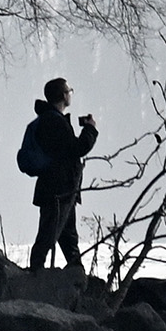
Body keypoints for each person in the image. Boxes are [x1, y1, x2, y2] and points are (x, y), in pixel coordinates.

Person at [28, 77, 98, 271]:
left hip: (62, 190)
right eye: (69, 91)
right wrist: (90, 129)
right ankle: (35, 276)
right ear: (63, 96)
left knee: (68, 239)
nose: (71, 94)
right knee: (49, 236)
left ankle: (77, 279)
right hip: (58, 191)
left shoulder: (50, 119)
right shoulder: (53, 121)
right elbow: (77, 148)